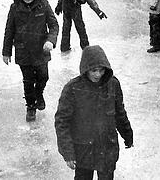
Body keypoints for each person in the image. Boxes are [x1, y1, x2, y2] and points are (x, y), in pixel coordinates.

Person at [55, 45, 133, 180]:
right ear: (86, 69)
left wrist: (127, 134)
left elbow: (119, 113)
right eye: (93, 70)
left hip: (107, 147)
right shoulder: (72, 89)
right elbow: (62, 122)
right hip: (84, 150)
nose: (98, 74)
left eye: (101, 70)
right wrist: (68, 152)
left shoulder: (113, 84)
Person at [2, 0, 59, 122]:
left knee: (43, 76)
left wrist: (50, 41)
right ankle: (31, 106)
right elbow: (9, 30)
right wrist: (6, 52)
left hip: (41, 50)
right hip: (23, 51)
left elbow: (54, 26)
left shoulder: (44, 6)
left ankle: (38, 94)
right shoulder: (14, 8)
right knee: (28, 81)